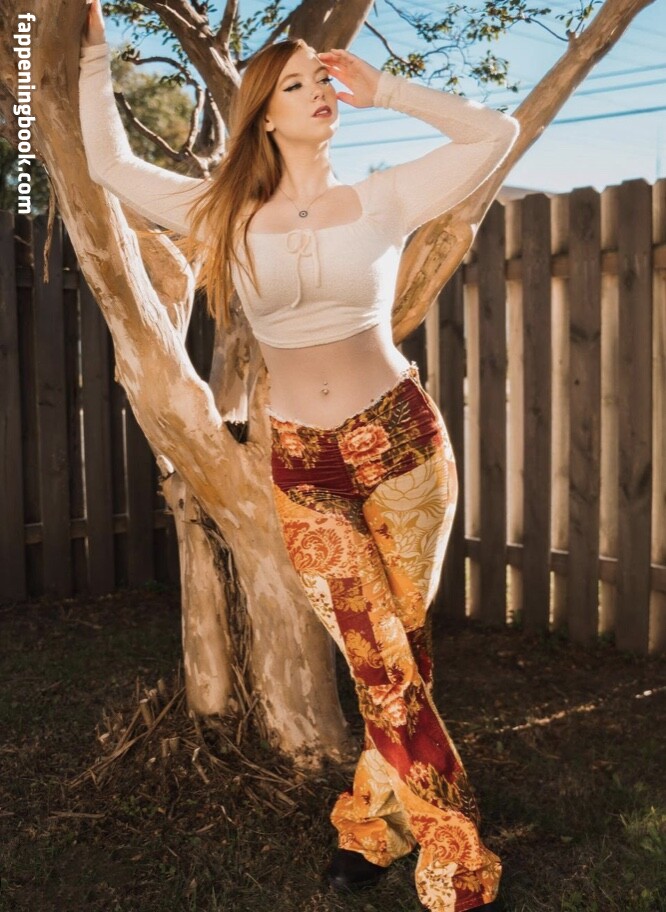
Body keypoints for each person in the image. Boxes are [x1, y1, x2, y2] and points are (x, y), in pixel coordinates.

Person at [79, 3, 519, 909]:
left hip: (403, 446)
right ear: (263, 114)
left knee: (400, 655)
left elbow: (496, 133)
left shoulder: (385, 196)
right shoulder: (221, 212)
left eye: (323, 79)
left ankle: (372, 826)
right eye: (296, 83)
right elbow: (109, 166)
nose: (319, 91)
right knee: (377, 658)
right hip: (307, 467)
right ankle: (456, 861)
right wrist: (91, 61)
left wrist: (387, 89)